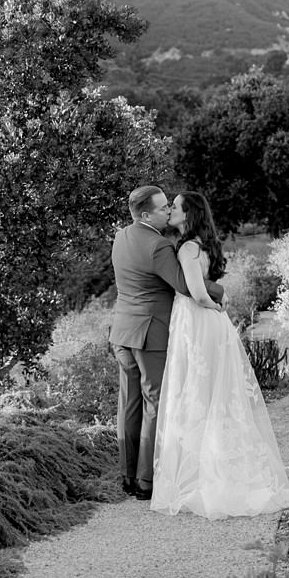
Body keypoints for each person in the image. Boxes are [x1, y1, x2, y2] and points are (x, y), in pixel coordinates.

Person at [150, 190, 289, 519]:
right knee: (218, 396)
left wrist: (212, 304)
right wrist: (220, 307)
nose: (171, 210)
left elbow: (198, 294)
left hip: (197, 324)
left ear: (189, 215)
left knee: (195, 394)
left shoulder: (186, 247)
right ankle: (221, 468)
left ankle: (201, 477)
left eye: (176, 207)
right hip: (215, 326)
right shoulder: (205, 245)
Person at [107, 183, 219, 501]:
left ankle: (128, 476)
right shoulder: (159, 246)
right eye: (162, 207)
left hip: (122, 331)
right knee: (155, 403)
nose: (168, 210)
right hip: (150, 333)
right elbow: (184, 285)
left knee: (129, 404)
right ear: (145, 214)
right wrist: (219, 291)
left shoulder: (121, 237)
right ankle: (146, 481)